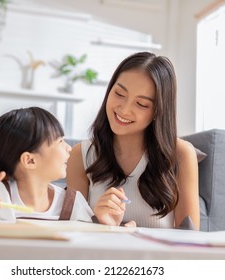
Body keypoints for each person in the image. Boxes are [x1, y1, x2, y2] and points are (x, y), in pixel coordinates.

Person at [66, 52, 200, 229]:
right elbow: (72, 236)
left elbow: (189, 239)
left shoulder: (181, 154)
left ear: (158, 111)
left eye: (142, 104)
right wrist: (100, 223)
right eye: (119, 93)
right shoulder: (80, 155)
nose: (124, 109)